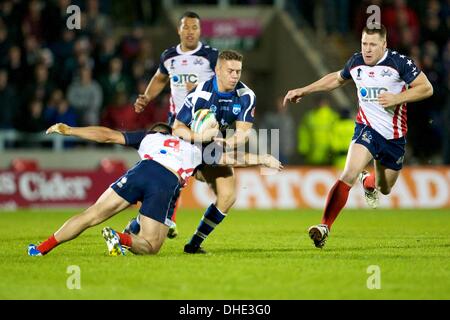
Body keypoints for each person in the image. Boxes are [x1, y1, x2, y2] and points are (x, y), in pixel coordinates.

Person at [27, 122, 281, 256]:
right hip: (163, 183)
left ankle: (41, 248)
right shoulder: (197, 147)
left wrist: (70, 130)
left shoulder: (148, 137)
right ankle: (120, 237)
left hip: (140, 171)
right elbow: (231, 158)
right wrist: (264, 159)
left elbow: (107, 135)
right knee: (151, 246)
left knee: (90, 215)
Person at [283, 24, 433, 249]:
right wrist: (302, 90)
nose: (367, 49)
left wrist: (397, 98)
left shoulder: (400, 63)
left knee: (384, 187)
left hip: (394, 137)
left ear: (384, 44)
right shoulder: (356, 62)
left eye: (373, 44)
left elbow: (426, 88)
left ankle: (369, 181)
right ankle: (324, 227)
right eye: (364, 44)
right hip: (367, 129)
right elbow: (335, 79)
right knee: (349, 172)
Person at [132, 11, 218, 237]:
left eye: (194, 27)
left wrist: (202, 90)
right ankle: (164, 219)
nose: (190, 31)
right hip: (178, 123)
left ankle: (152, 218)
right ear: (179, 30)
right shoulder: (169, 56)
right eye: (186, 27)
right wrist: (147, 97)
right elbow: (160, 78)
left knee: (198, 173)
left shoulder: (211, 55)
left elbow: (224, 84)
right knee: (175, 171)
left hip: (204, 125)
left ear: (200, 31)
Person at [172, 49, 257, 254]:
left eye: (238, 71)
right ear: (217, 70)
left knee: (227, 196)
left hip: (214, 147)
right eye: (230, 71)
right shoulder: (200, 93)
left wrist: (227, 143)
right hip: (186, 146)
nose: (235, 75)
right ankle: (136, 226)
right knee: (164, 192)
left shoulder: (246, 96)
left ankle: (194, 244)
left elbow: (243, 133)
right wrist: (199, 137)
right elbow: (177, 127)